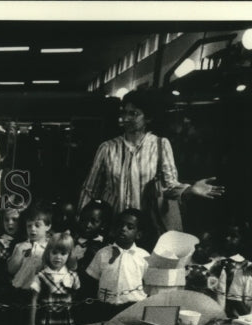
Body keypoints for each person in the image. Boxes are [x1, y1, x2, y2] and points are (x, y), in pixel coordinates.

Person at [78, 88, 224, 239]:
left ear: (148, 118)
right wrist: (82, 224)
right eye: (124, 112)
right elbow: (90, 189)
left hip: (145, 228)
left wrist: (190, 189)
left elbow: (169, 186)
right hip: (112, 226)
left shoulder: (160, 145)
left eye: (133, 113)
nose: (125, 118)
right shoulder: (107, 148)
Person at [84, 208, 149, 322]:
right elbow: (91, 281)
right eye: (121, 225)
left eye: (130, 227)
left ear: (138, 234)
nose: (123, 229)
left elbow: (149, 285)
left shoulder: (144, 257)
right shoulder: (103, 253)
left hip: (132, 308)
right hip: (106, 308)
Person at [27, 233, 80, 325]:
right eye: (54, 252)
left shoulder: (72, 276)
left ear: (69, 255)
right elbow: (33, 301)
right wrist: (31, 324)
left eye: (63, 253)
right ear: (48, 253)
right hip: (46, 320)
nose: (58, 257)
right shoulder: (41, 276)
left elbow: (76, 298)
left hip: (66, 319)